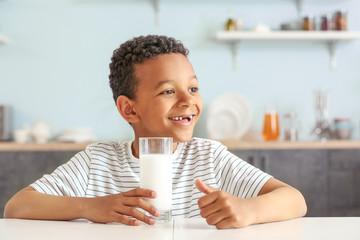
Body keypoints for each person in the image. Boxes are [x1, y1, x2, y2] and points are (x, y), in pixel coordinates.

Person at [4, 35, 307, 229]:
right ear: (129, 110)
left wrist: (248, 209)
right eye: (167, 91)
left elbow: (294, 199)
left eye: (193, 88)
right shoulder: (98, 161)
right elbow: (17, 206)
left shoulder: (208, 157)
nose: (189, 101)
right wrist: (91, 207)